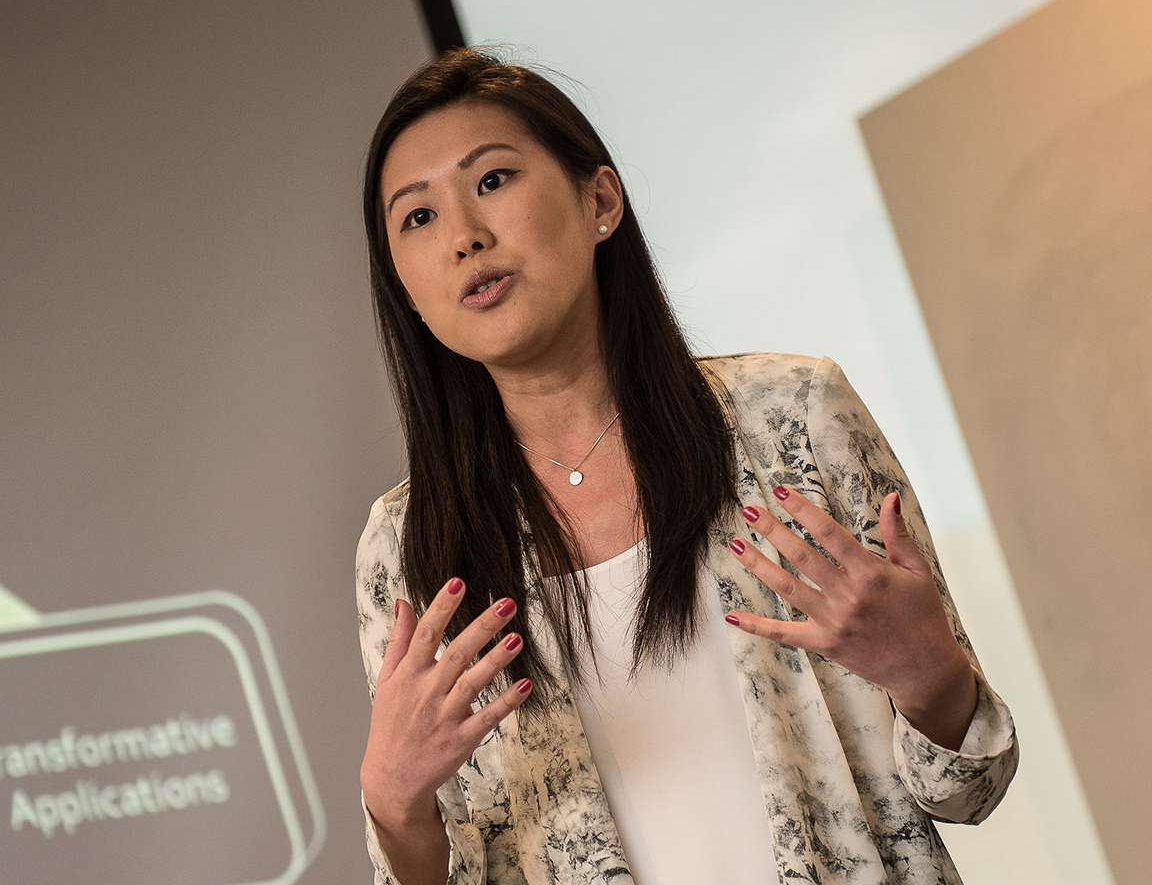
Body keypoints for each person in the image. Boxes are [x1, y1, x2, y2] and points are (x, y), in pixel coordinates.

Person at [353, 47, 1018, 885]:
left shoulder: (793, 416)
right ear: (406, 292)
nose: (464, 237)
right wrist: (393, 803)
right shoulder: (403, 547)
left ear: (600, 201)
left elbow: (971, 786)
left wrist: (932, 680)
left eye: (491, 181)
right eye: (417, 218)